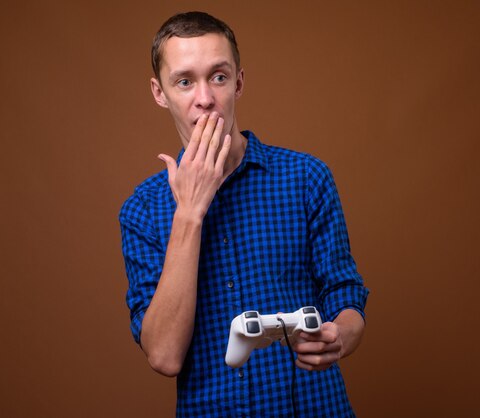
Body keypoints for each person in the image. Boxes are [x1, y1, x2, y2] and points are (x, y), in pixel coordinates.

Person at [120, 11, 369, 417]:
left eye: (218, 77)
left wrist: (336, 335)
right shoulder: (143, 210)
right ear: (159, 92)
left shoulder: (306, 177)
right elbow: (164, 357)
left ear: (238, 82)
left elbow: (346, 296)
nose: (205, 98)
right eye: (184, 81)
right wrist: (190, 212)